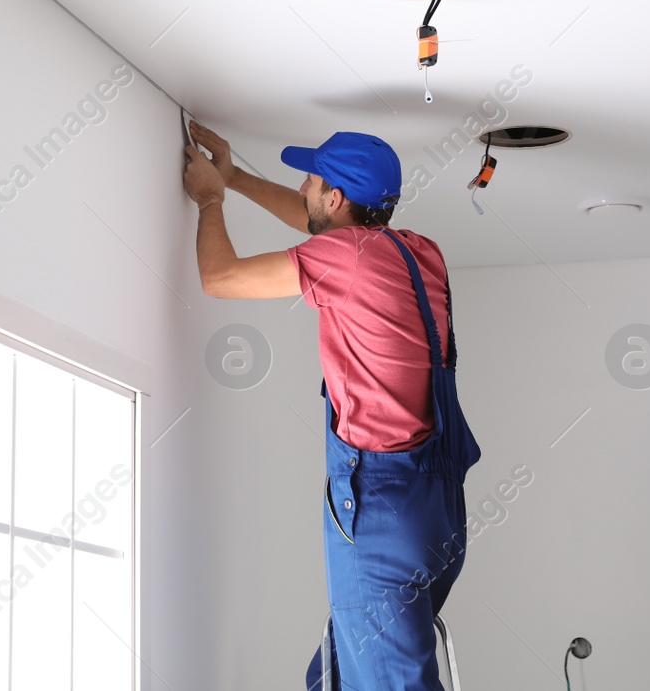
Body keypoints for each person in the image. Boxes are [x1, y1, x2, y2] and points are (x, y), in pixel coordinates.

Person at [181, 121, 481, 691]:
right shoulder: (422, 255)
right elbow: (318, 226)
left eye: (311, 182)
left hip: (382, 512)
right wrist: (238, 176)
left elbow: (219, 278)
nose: (301, 191)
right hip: (439, 513)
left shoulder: (347, 258)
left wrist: (211, 199)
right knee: (337, 675)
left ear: (337, 197)